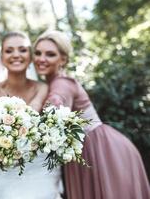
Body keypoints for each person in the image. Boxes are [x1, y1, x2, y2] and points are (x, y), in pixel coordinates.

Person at [33, 30, 150, 199]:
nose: (41, 59)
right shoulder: (55, 81)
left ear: (63, 59)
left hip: (99, 151)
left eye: (50, 54)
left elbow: (55, 105)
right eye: (37, 53)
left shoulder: (61, 83)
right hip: (101, 147)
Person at [0, 31, 63, 199]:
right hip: (11, 170)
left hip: (43, 168)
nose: (16, 55)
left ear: (31, 56)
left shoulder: (42, 88)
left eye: (23, 50)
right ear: (2, 57)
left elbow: (35, 110)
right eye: (9, 50)